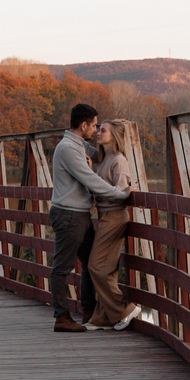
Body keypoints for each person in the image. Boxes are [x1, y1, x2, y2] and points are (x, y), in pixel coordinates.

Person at [46, 104, 129, 332]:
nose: (95, 131)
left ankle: (90, 312)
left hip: (79, 215)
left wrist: (120, 131)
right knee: (62, 268)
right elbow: (90, 180)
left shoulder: (78, 144)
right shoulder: (68, 149)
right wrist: (120, 194)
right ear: (83, 125)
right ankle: (62, 317)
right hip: (69, 215)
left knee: (92, 263)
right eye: (94, 126)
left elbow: (104, 154)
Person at [83, 123, 144, 330]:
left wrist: (124, 191)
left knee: (95, 266)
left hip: (115, 216)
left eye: (103, 131)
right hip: (104, 215)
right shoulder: (105, 160)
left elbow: (119, 191)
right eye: (98, 129)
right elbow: (103, 187)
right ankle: (104, 318)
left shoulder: (119, 160)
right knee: (106, 269)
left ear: (115, 136)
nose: (99, 133)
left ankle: (125, 309)